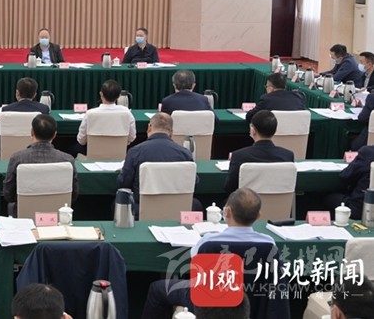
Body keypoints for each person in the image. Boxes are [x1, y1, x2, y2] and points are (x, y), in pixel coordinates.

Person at [141, 188, 274, 318]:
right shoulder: (269, 243)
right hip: (256, 299)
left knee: (157, 289)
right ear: (258, 216)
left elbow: (194, 262)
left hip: (209, 306)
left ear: (227, 212)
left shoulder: (209, 242)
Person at [117, 113, 197, 215]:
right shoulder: (185, 153)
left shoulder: (135, 152)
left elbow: (124, 183)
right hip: (178, 210)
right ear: (172, 132)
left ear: (149, 128)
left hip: (140, 210)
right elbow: (193, 183)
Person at [3, 114, 76, 217]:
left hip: (23, 217)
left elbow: (8, 194)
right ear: (54, 135)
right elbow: (73, 194)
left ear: (32, 132)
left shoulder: (17, 158)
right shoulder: (68, 160)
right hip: (58, 217)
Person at [224, 110, 295, 193]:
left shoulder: (239, 156)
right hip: (281, 201)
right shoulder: (288, 156)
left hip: (248, 201)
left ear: (253, 131)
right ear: (274, 131)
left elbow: (229, 188)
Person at [73, 79, 136, 157]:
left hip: (92, 156)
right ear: (119, 96)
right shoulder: (127, 113)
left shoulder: (90, 114)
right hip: (120, 156)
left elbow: (81, 140)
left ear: (101, 94)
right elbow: (132, 137)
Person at [325, 142, 374, 220]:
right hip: (363, 206)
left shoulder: (368, 152)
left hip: (360, 209)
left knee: (325, 196)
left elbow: (345, 176)